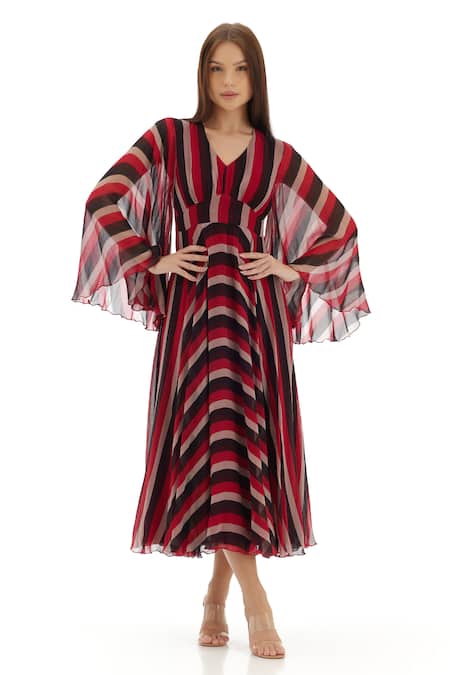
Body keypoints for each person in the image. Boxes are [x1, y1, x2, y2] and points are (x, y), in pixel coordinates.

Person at [71, 23, 371, 660]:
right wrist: (152, 257)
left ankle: (215, 594)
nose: (228, 81)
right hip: (194, 315)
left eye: (240, 69)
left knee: (234, 443)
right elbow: (104, 199)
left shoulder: (275, 154)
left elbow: (340, 227)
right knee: (215, 438)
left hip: (255, 318)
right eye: (216, 68)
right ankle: (255, 600)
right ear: (202, 75)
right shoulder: (170, 137)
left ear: (256, 78)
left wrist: (288, 267)